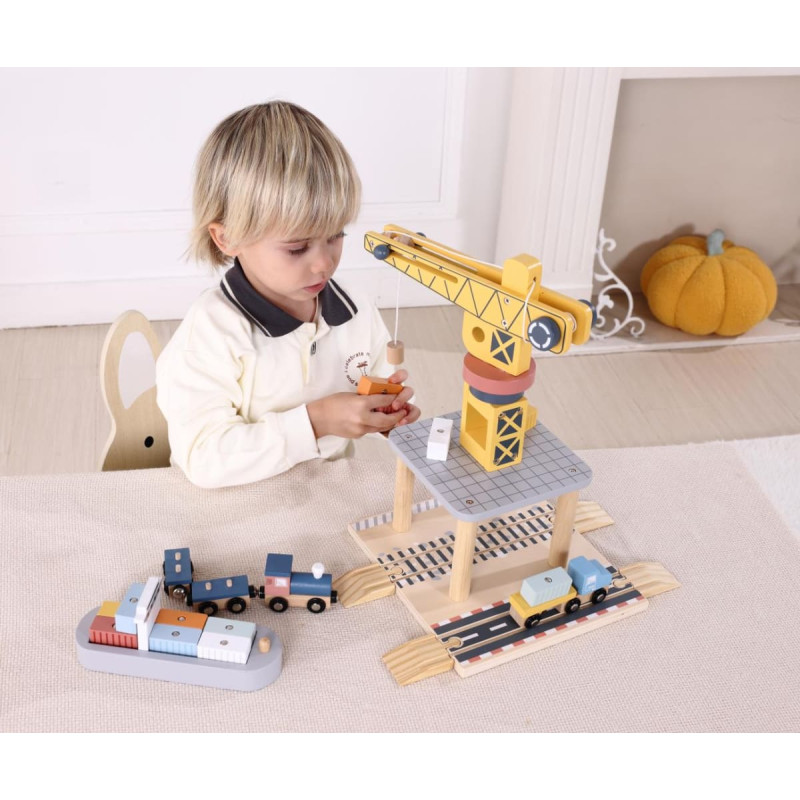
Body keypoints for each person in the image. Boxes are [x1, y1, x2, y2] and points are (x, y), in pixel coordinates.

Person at [156, 101, 420, 488]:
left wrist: (384, 413)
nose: (324, 264)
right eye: (297, 249)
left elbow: (375, 379)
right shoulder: (211, 333)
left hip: (324, 491)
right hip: (232, 500)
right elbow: (203, 458)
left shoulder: (355, 311)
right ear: (227, 238)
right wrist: (316, 422)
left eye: (336, 236)